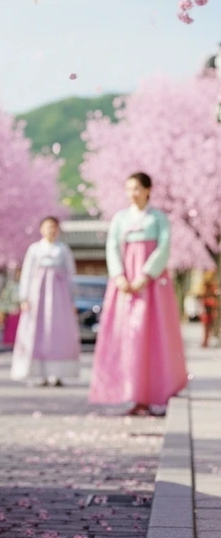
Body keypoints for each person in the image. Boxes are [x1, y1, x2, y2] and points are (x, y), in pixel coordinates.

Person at [88, 172, 188, 416]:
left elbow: (164, 247)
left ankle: (157, 393)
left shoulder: (158, 219)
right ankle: (133, 394)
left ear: (148, 190)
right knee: (129, 336)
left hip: (151, 286)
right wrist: (119, 276)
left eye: (137, 188)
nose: (132, 193)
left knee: (153, 335)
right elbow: (112, 247)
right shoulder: (120, 219)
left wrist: (145, 275)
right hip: (124, 285)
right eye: (129, 188)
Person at [11, 216, 81, 385]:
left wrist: (73, 299)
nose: (51, 230)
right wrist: (24, 297)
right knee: (37, 332)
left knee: (58, 333)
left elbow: (71, 275)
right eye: (48, 227)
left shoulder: (63, 249)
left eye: (54, 227)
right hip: (38, 298)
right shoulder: (34, 249)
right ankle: (38, 374)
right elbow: (27, 274)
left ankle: (56, 374)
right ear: (42, 230)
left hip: (60, 299)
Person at [198, 269, 219, 348]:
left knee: (208, 328)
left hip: (209, 311)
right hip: (207, 312)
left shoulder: (210, 287)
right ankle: (205, 342)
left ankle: (206, 342)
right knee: (207, 328)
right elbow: (206, 301)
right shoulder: (206, 288)